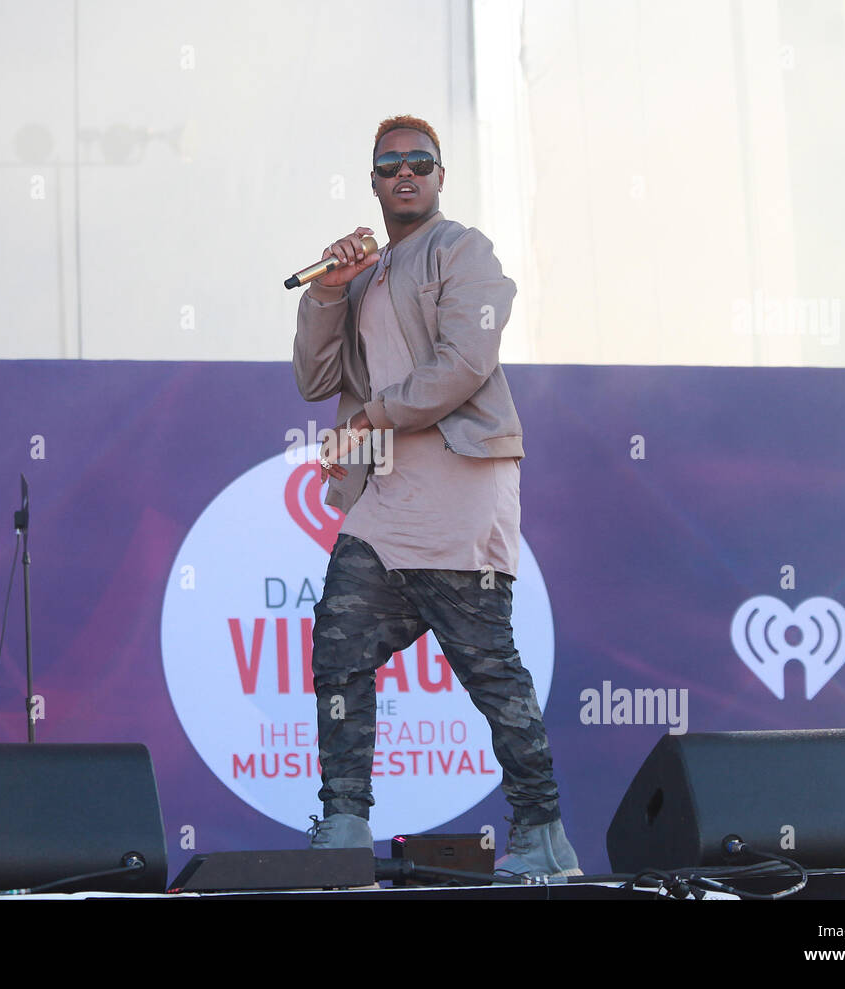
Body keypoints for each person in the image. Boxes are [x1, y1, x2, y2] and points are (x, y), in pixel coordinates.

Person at [291, 115, 578, 879]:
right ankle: (346, 824)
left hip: (459, 490)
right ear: (374, 182)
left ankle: (543, 834)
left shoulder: (464, 251)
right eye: (391, 166)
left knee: (489, 667)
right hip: (385, 504)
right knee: (339, 647)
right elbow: (315, 378)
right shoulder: (369, 274)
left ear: (442, 177)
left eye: (422, 162)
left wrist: (371, 420)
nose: (406, 174)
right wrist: (329, 289)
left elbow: (463, 364)